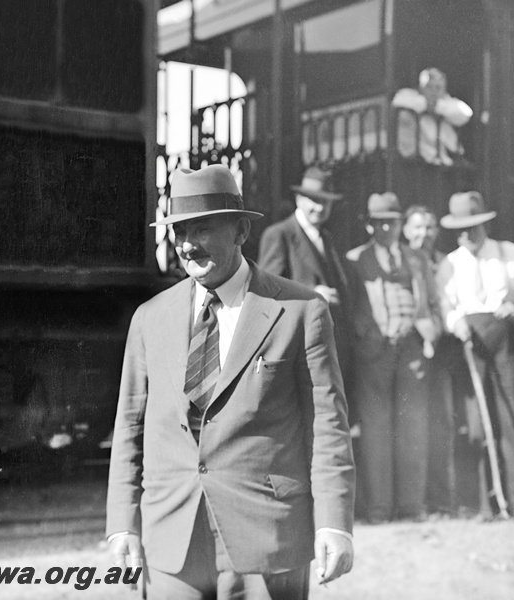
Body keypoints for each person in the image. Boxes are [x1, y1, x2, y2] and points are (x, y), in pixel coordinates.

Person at [106, 164, 355, 599]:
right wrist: (122, 525)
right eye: (179, 231)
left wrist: (334, 522)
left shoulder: (300, 310)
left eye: (201, 229)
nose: (187, 245)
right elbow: (130, 429)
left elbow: (327, 426)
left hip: (267, 539)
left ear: (241, 231)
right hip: (171, 544)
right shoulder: (150, 318)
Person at [436, 191, 514, 521]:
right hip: (469, 344)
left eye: (472, 227)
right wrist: (454, 321)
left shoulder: (510, 254)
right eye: (459, 230)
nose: (466, 235)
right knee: (476, 426)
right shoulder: (450, 264)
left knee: (513, 421)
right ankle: (481, 506)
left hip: (506, 343)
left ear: (485, 225)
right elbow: (443, 303)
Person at [346, 193, 442, 523]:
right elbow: (349, 307)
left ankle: (412, 506)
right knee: (375, 430)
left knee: (414, 426)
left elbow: (434, 302)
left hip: (413, 351)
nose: (387, 227)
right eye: (379, 222)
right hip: (372, 354)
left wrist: (432, 331)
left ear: (401, 224)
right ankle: (379, 508)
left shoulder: (417, 259)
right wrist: (364, 336)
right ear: (370, 226)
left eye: (393, 221)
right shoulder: (355, 260)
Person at [257, 166, 353, 382]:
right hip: (299, 345)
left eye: (326, 202)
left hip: (329, 344)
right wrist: (312, 293)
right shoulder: (279, 235)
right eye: (314, 200)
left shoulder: (326, 237)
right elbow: (266, 290)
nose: (320, 208)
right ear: (299, 199)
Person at [403, 205, 463, 516]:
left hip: (441, 349)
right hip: (411, 349)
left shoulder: (444, 263)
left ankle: (441, 497)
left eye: (429, 227)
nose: (423, 234)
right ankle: (417, 497)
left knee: (441, 422)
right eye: (417, 227)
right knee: (414, 424)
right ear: (405, 230)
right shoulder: (401, 260)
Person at [392, 68, 473, 166]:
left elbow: (466, 113)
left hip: (446, 154)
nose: (433, 92)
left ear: (444, 90)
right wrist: (424, 104)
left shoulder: (448, 101)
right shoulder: (409, 95)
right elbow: (397, 101)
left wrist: (438, 107)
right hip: (418, 157)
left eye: (438, 87)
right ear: (421, 88)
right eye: (429, 87)